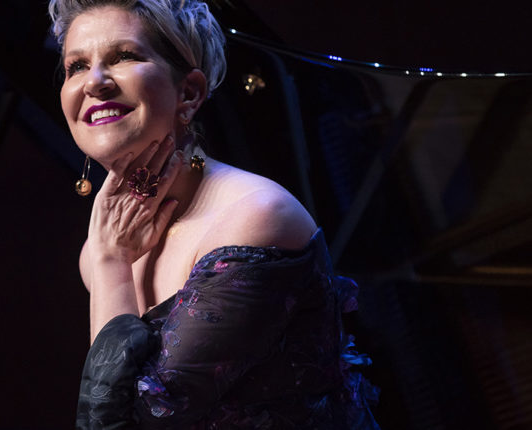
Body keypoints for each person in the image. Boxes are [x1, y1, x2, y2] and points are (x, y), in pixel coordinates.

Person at [48, 0, 381, 428]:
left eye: (124, 56)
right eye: (76, 66)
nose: (94, 82)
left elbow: (134, 421)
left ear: (189, 92)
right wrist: (108, 257)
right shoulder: (104, 247)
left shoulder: (255, 219)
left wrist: (112, 264)